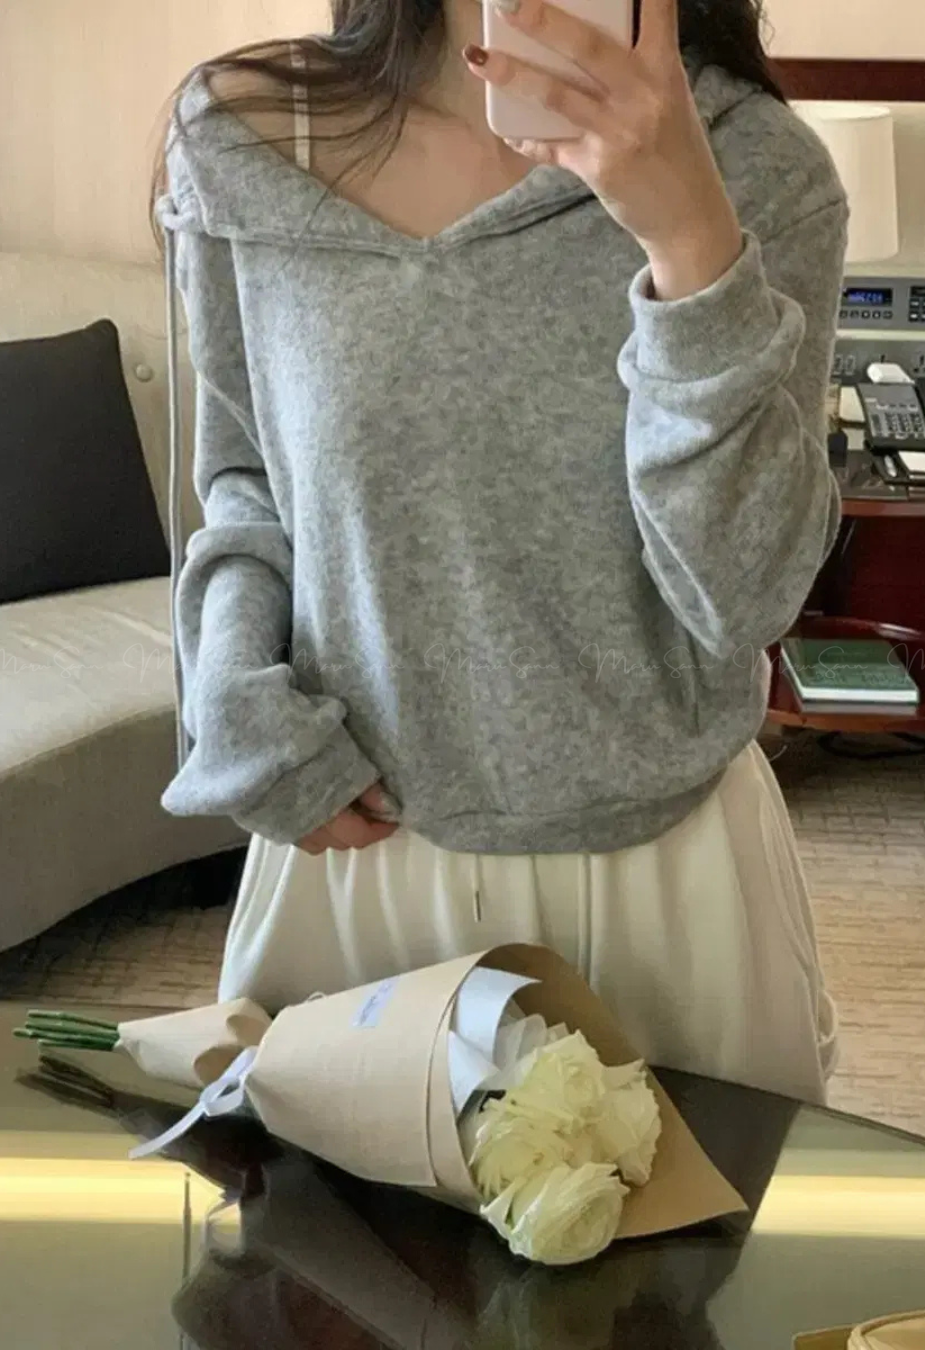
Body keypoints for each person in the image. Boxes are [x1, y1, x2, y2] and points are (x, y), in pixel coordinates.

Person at [155, 0, 846, 1102]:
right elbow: (246, 482)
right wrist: (233, 694)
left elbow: (748, 596)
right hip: (354, 858)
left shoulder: (755, 164)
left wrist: (690, 245)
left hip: (664, 882)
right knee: (314, 1217)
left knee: (687, 1216)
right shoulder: (246, 136)